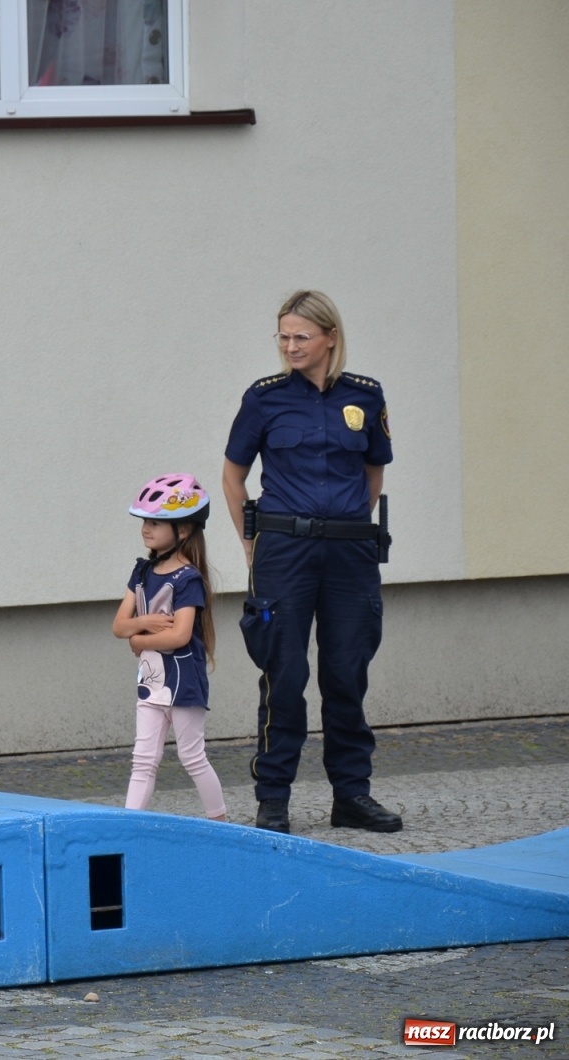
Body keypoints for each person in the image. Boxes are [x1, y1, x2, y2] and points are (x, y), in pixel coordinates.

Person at [222, 290, 401, 835]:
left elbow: (373, 474)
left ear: (330, 338)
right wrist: (250, 542)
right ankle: (273, 799)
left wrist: (344, 527)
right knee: (285, 674)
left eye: (302, 336)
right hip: (285, 551)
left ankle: (352, 796)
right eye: (283, 337)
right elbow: (233, 474)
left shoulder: (366, 396)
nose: (291, 346)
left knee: (346, 674)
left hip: (349, 553)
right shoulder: (265, 398)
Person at [112, 475, 228, 822]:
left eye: (156, 522)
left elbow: (179, 635)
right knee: (143, 760)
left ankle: (220, 823)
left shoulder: (187, 579)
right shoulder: (142, 572)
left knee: (192, 757)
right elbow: (119, 626)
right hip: (151, 681)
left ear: (184, 530)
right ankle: (129, 827)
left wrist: (139, 640)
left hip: (183, 682)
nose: (146, 529)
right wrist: (145, 624)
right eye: (145, 521)